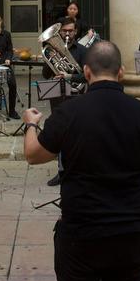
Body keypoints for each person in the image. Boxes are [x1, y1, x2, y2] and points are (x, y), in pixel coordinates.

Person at [21, 40, 140, 281]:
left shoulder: (68, 113)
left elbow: (33, 155)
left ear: (86, 72)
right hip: (132, 232)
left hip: (82, 232)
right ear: (121, 72)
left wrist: (31, 125)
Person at [42, 17, 88, 187]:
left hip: (77, 98)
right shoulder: (51, 50)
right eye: (64, 31)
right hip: (58, 97)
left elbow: (87, 74)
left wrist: (70, 76)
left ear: (75, 32)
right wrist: (50, 62)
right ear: (59, 32)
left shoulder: (83, 51)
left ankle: (79, 170)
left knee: (78, 135)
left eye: (70, 30)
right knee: (60, 135)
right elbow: (46, 75)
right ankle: (61, 171)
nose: (67, 33)